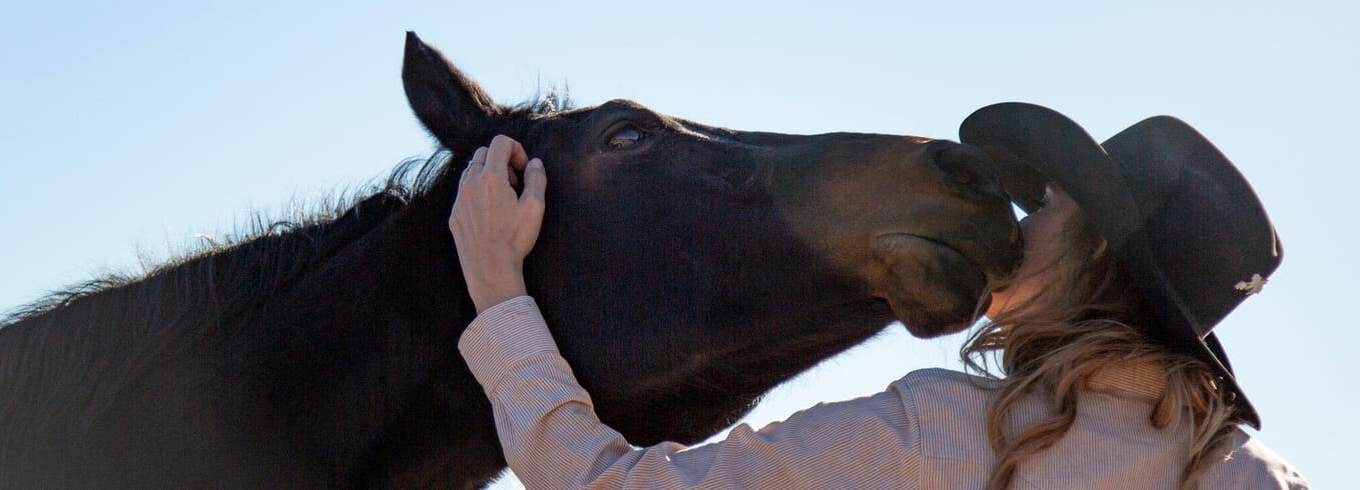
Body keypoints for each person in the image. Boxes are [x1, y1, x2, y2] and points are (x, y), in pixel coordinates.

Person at [446, 103, 1309, 489]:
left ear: (1094, 262)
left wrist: (495, 288)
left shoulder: (942, 433)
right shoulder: (1254, 479)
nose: (1020, 214)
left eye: (1049, 206)